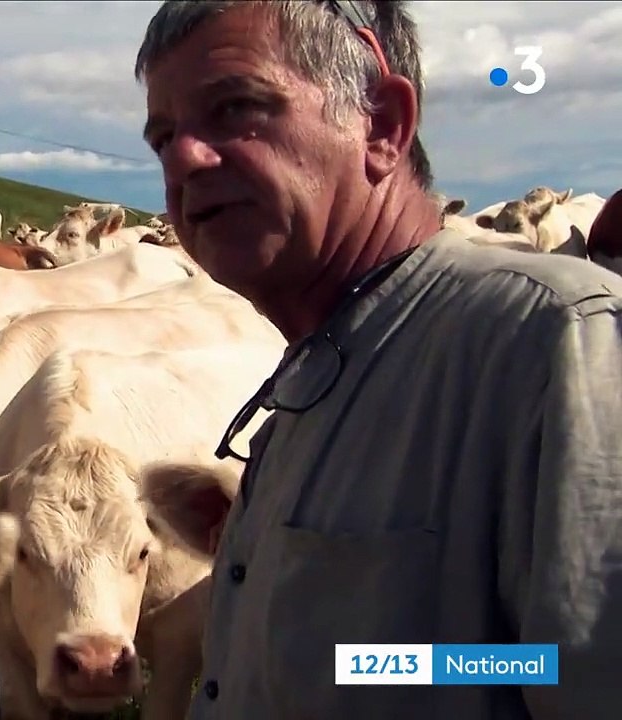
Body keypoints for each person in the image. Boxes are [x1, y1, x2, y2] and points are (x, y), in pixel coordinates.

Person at [135, 1, 621, 718]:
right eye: (164, 137)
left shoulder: (553, 338)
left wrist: (390, 662)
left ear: (383, 126)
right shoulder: (319, 370)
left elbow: (574, 669)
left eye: (236, 107)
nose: (182, 158)